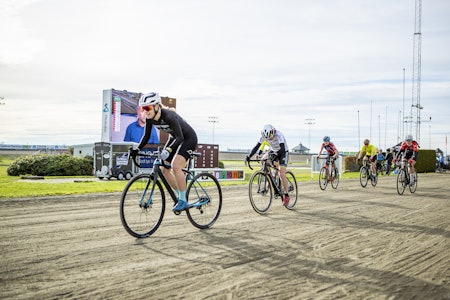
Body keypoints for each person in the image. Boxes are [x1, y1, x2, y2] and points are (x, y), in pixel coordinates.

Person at [130, 92, 198, 212]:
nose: (145, 111)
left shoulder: (168, 116)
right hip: (174, 138)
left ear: (157, 106)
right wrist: (137, 150)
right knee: (163, 169)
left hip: (188, 138)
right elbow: (146, 137)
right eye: (142, 108)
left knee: (175, 166)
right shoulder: (149, 119)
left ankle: (183, 200)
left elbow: (180, 137)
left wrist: (168, 149)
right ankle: (181, 195)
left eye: (147, 107)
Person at [246, 124, 291, 206]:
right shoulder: (263, 136)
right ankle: (271, 177)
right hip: (273, 151)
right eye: (268, 138)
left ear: (273, 132)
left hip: (283, 152)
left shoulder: (279, 135)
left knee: (281, 173)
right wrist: (249, 156)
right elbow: (256, 147)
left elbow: (282, 149)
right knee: (263, 160)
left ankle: (286, 194)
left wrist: (275, 156)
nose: (269, 139)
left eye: (271, 137)